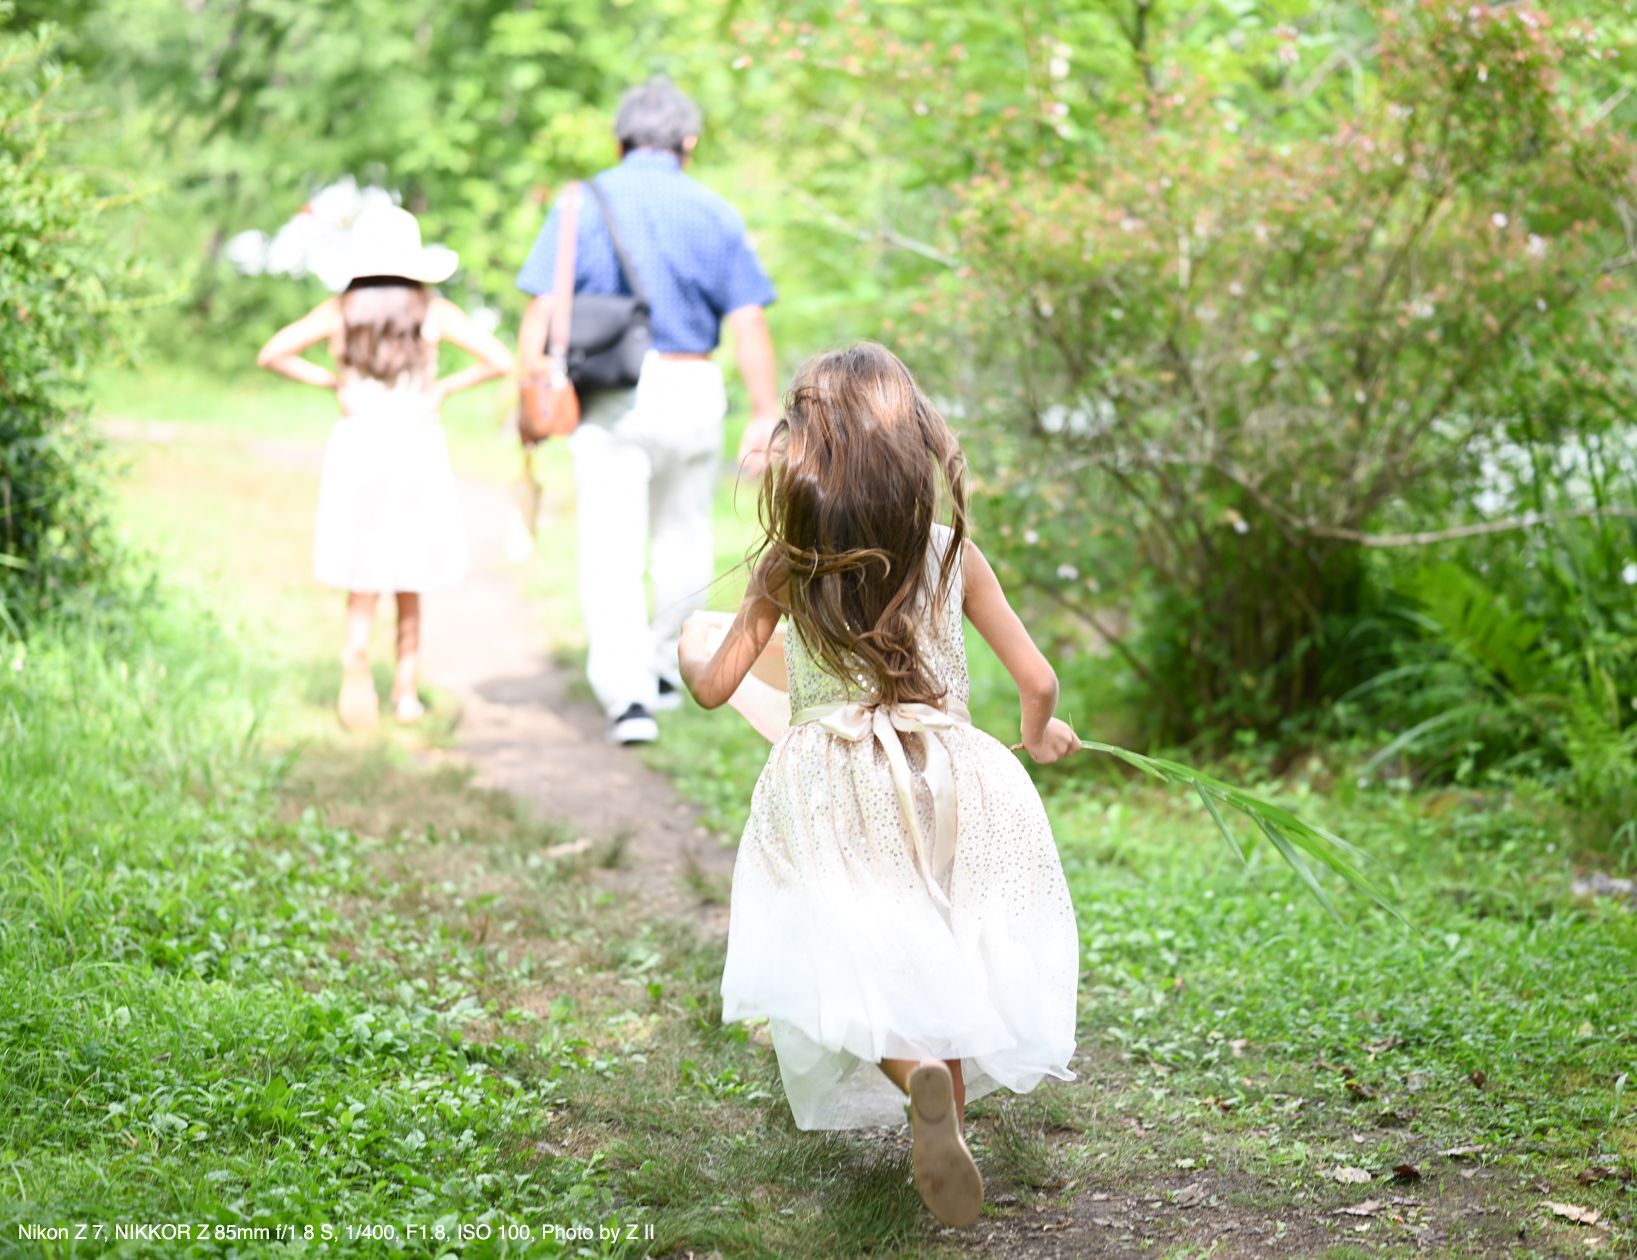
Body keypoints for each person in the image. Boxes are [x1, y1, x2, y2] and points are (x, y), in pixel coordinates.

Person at [677, 343, 1082, 1228]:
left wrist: (687, 649)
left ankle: (911, 1077)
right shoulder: (951, 554)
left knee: (852, 951)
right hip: (948, 772)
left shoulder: (787, 562)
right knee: (943, 945)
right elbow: (1039, 678)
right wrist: (1035, 734)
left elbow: (715, 687)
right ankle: (947, 1134)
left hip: (831, 783)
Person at [517, 76, 780, 746]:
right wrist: (764, 408)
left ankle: (628, 698)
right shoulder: (715, 211)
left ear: (620, 140)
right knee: (684, 537)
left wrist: (530, 394)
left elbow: (542, 309)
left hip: (612, 392)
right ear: (688, 143)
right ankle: (666, 665)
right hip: (693, 386)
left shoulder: (579, 203)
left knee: (611, 544)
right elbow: (748, 319)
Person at [258, 203, 516, 729]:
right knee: (410, 570)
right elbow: (501, 360)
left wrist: (332, 383)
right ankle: (404, 693)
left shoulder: (342, 308)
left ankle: (355, 654)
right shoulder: (432, 310)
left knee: (363, 566)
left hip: (359, 442)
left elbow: (274, 353)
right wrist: (443, 386)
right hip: (414, 442)